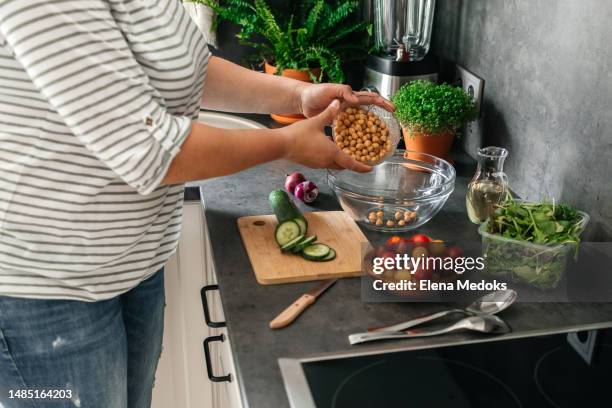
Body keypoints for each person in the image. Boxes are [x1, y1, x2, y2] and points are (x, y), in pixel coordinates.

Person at [0, 1, 392, 407]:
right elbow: (151, 150)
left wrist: (297, 94)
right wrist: (288, 143)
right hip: (44, 287)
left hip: (132, 266)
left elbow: (183, 66)